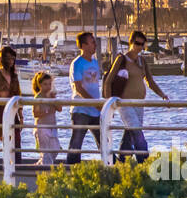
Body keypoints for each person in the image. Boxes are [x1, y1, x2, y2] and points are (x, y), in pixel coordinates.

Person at [105, 30, 168, 163]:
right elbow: (108, 81)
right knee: (136, 131)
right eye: (137, 43)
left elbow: (150, 81)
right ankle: (144, 160)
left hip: (140, 104)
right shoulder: (121, 59)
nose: (139, 47)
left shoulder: (142, 61)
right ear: (131, 42)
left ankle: (122, 161)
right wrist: (108, 103)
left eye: (142, 44)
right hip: (125, 104)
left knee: (130, 134)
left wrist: (162, 95)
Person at [66, 31, 102, 164]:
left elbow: (95, 85)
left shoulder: (95, 62)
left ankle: (111, 166)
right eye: (92, 42)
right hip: (81, 110)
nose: (95, 45)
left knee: (103, 141)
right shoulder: (77, 64)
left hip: (95, 110)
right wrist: (94, 103)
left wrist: (100, 104)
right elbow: (78, 88)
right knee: (76, 142)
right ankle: (70, 169)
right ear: (83, 45)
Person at [0, 45, 23, 162]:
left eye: (13, 59)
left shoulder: (15, 77)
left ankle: (17, 164)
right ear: (3, 59)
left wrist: (21, 115)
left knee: (16, 138)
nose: (11, 61)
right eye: (9, 58)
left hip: (12, 109)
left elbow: (18, 96)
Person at [31, 70, 62, 166]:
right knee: (45, 152)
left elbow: (60, 109)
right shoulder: (38, 97)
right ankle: (45, 169)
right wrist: (47, 111)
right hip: (42, 127)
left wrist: (53, 100)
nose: (48, 87)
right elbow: (35, 114)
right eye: (45, 84)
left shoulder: (52, 96)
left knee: (56, 148)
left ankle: (41, 164)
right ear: (39, 85)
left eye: (49, 84)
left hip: (52, 126)